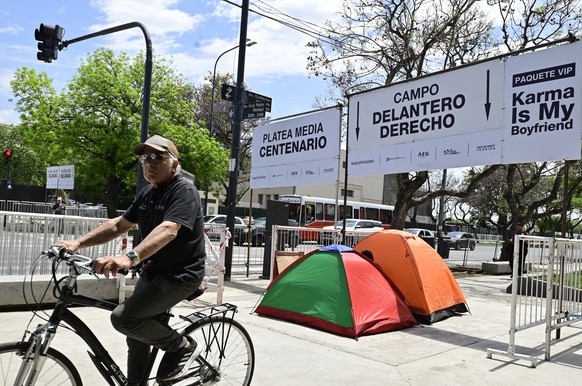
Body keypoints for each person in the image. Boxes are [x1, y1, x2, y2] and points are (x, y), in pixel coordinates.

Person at [54, 135, 206, 384]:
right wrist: (76, 243)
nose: (150, 162)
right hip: (154, 273)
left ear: (175, 164)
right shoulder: (147, 194)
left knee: (124, 318)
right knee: (135, 335)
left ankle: (181, 346)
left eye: (158, 156)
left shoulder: (184, 191)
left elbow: (169, 229)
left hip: (180, 276)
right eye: (145, 157)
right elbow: (119, 225)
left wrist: (129, 258)